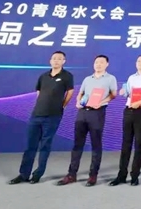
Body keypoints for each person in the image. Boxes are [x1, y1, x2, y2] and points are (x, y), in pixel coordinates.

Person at [9, 51, 74, 184]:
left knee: (45, 146)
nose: (56, 61)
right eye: (54, 58)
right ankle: (24, 174)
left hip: (53, 116)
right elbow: (39, 92)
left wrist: (62, 106)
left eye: (59, 59)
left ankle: (37, 174)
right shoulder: (43, 76)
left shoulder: (67, 76)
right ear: (50, 61)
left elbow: (70, 92)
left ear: (64, 61)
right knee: (30, 146)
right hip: (36, 115)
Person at [57, 55, 117, 186]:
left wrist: (101, 102)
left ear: (107, 64)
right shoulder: (87, 79)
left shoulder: (110, 78)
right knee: (77, 144)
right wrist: (78, 101)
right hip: (83, 112)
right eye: (96, 62)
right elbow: (81, 93)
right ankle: (71, 174)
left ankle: (93, 175)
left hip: (97, 113)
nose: (98, 64)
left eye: (101, 62)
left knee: (96, 145)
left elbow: (113, 94)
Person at [109, 55, 141, 186]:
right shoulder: (131, 77)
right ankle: (121, 175)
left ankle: (135, 175)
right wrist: (123, 92)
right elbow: (128, 94)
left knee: (139, 143)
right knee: (125, 144)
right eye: (138, 61)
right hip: (128, 110)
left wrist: (139, 102)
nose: (140, 63)